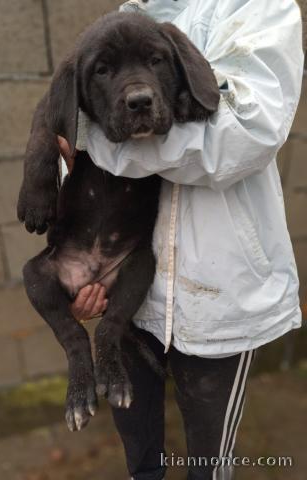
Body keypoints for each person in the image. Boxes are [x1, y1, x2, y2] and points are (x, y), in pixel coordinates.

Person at [60, 0, 305, 478]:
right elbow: (66, 149)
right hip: (128, 293)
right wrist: (76, 270)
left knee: (208, 464)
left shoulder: (260, 9)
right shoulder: (126, 20)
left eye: (154, 64)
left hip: (221, 301)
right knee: (140, 450)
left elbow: (241, 134)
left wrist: (100, 135)